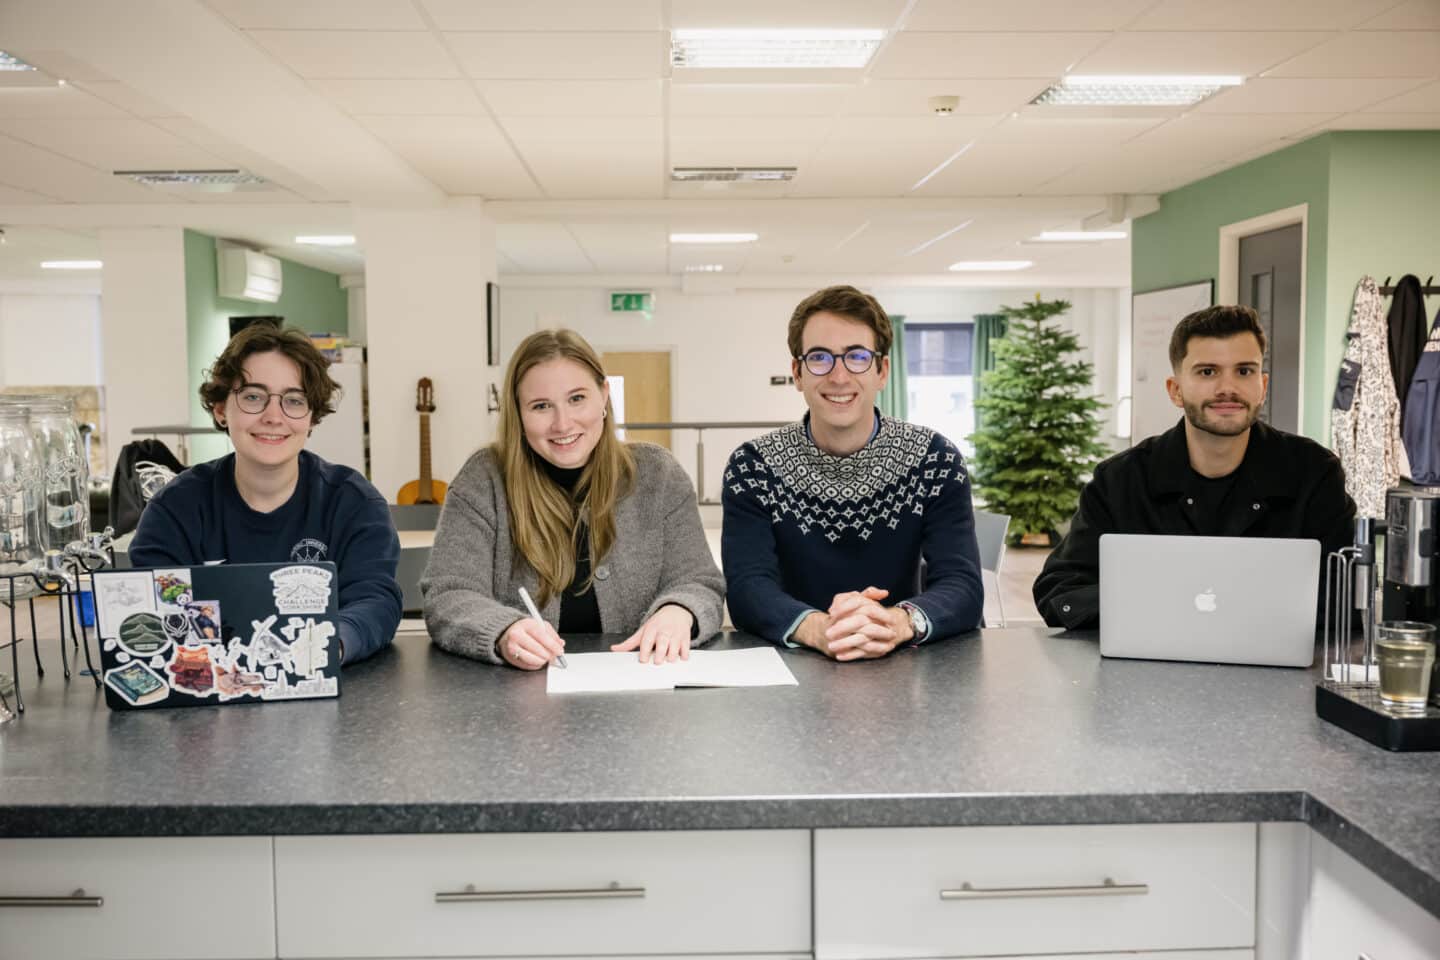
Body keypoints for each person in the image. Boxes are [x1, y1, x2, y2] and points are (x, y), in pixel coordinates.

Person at [1033, 304, 1356, 629]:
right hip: (1147, 669)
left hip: (1278, 670)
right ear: (1175, 390)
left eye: (1244, 371)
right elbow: (1061, 590)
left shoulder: (1314, 473)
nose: (1227, 388)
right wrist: (1163, 604)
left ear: (1263, 386)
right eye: (1207, 372)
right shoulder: (1120, 481)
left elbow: (1346, 598)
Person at [423, 329, 725, 669]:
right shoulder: (483, 480)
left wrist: (679, 611)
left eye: (577, 398)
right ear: (518, 415)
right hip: (519, 703)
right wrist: (503, 631)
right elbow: (448, 594)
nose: (562, 423)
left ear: (604, 395)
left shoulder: (658, 474)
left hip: (644, 692)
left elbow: (699, 580)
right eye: (540, 406)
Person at [721, 285, 985, 660]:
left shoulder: (934, 460)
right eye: (819, 358)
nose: (839, 376)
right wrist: (820, 629)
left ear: (882, 371)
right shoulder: (753, 467)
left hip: (903, 662)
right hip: (793, 664)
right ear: (797, 373)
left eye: (857, 357)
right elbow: (748, 588)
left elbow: (963, 586)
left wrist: (895, 623)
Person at [129, 324, 402, 664]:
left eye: (294, 400)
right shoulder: (175, 508)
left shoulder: (354, 503)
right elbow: (154, 610)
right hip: (205, 695)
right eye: (253, 397)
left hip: (328, 690)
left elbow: (375, 601)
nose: (274, 417)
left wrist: (328, 646)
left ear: (312, 417)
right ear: (219, 408)